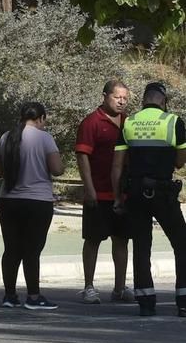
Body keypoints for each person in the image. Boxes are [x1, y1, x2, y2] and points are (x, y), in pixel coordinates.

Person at [112, 82, 186, 317]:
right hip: (162, 193)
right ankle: (183, 301)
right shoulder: (173, 122)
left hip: (135, 194)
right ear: (163, 101)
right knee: (181, 244)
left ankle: (145, 301)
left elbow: (117, 165)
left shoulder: (129, 123)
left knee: (141, 247)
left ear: (143, 100)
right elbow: (180, 162)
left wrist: (117, 198)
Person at [0, 102, 65, 310]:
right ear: (41, 118)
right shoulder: (45, 138)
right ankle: (33, 296)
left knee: (11, 249)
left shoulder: (6, 137)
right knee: (32, 250)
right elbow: (57, 169)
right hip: (37, 201)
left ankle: (9, 295)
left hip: (8, 200)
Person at [75, 80, 135, 304]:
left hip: (122, 195)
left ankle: (120, 288)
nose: (121, 101)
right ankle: (88, 287)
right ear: (105, 96)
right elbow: (82, 157)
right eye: (117, 96)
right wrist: (89, 188)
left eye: (125, 98)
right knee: (92, 240)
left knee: (121, 240)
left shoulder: (129, 122)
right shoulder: (92, 122)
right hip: (98, 194)